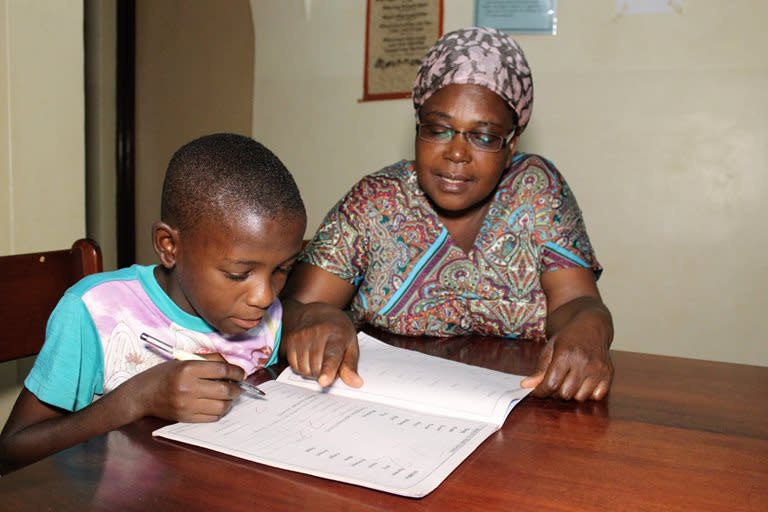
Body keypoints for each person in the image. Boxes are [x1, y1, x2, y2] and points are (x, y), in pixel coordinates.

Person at [282, 27, 614, 402]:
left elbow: (574, 303)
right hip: (383, 405)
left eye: (484, 136)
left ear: (510, 146)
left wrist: (591, 326)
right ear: (418, 129)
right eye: (438, 130)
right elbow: (296, 307)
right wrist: (311, 319)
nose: (456, 153)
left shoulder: (537, 190)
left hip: (521, 409)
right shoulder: (375, 202)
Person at [0, 133, 310, 473]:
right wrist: (137, 398)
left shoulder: (263, 317)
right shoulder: (93, 313)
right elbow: (12, 451)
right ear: (169, 246)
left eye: (283, 269)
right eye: (239, 273)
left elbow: (294, 317)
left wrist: (322, 318)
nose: (265, 296)